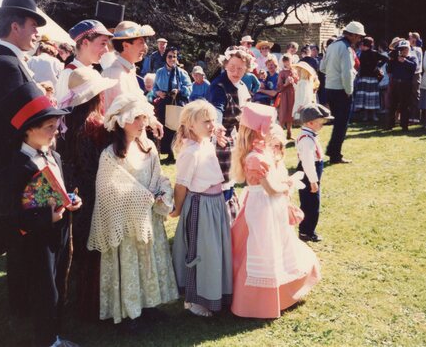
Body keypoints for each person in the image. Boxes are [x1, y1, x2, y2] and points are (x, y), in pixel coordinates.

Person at [87, 93, 179, 327]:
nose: (141, 124)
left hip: (149, 220)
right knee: (130, 266)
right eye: (135, 118)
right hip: (127, 224)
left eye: (143, 118)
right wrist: (142, 197)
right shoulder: (110, 154)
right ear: (120, 121)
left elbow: (159, 178)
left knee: (149, 263)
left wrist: (161, 193)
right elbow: (108, 190)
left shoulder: (148, 147)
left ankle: (150, 305)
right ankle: (130, 311)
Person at [2, 82, 82, 347]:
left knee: (59, 282)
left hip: (58, 231)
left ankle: (56, 334)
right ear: (28, 130)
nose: (55, 131)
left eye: (56, 126)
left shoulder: (53, 156)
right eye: (49, 127)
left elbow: (56, 189)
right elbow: (14, 212)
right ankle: (46, 339)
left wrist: (70, 199)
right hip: (35, 238)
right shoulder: (19, 166)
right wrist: (49, 218)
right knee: (44, 289)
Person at [230, 102, 321, 318]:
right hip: (262, 209)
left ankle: (283, 291)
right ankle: (256, 300)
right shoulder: (255, 158)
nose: (274, 128)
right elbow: (270, 189)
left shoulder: (261, 152)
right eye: (270, 125)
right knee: (261, 248)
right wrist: (287, 185)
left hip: (268, 206)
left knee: (276, 245)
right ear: (259, 130)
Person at [0, 0, 46, 257]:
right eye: (33, 25)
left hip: (16, 159)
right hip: (13, 162)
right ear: (15, 27)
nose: (37, 32)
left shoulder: (10, 60)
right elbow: (19, 121)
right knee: (21, 237)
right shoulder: (5, 64)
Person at [56, 67, 117, 321]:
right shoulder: (96, 126)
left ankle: (76, 300)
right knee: (95, 249)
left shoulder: (66, 121)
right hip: (94, 191)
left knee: (79, 247)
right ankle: (93, 304)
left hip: (73, 189)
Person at [170, 100, 232, 318]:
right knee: (198, 252)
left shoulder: (206, 142)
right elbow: (181, 184)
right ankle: (193, 299)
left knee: (214, 251)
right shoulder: (190, 152)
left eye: (213, 120)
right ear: (190, 124)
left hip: (215, 203)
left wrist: (218, 134)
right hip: (201, 206)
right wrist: (177, 209)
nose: (211, 124)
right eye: (206, 121)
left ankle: (214, 292)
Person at [207, 46, 255, 222]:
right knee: (220, 180)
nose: (235, 71)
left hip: (233, 138)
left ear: (246, 69)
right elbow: (216, 109)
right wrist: (217, 125)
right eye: (232, 67)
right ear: (225, 65)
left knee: (231, 178)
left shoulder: (242, 85)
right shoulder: (218, 86)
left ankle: (229, 216)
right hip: (218, 139)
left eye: (240, 68)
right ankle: (218, 220)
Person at [102, 21, 164, 138]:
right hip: (122, 141)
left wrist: (152, 120)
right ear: (125, 45)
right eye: (140, 43)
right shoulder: (115, 73)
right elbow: (119, 116)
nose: (145, 47)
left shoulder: (127, 69)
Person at [321, 21, 365, 164]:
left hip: (329, 88)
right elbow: (346, 73)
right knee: (341, 124)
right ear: (352, 35)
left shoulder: (332, 45)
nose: (359, 39)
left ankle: (332, 151)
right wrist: (349, 90)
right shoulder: (345, 48)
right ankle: (335, 155)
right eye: (358, 36)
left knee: (338, 124)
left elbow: (322, 67)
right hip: (341, 90)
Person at [295, 104, 334, 242]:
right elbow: (307, 163)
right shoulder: (306, 139)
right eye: (320, 123)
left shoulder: (310, 135)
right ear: (310, 123)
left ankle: (307, 230)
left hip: (312, 169)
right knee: (311, 204)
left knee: (310, 202)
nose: (322, 126)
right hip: (309, 172)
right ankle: (307, 231)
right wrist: (313, 180)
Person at [55, 20, 113, 100]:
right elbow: (62, 109)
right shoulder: (68, 74)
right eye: (103, 43)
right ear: (85, 43)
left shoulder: (94, 73)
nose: (106, 50)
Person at [153, 46, 192, 162]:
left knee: (177, 129)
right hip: (163, 103)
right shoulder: (160, 72)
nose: (171, 59)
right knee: (164, 128)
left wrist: (179, 91)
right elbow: (154, 87)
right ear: (166, 57)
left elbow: (189, 88)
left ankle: (178, 155)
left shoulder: (182, 73)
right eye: (169, 56)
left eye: (174, 56)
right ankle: (165, 153)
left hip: (177, 102)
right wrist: (157, 92)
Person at [353, 37, 388, 122]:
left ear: (365, 45)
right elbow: (385, 59)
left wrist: (378, 66)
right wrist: (378, 66)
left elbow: (385, 59)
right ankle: (369, 116)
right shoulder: (362, 53)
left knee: (369, 97)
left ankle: (370, 116)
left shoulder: (372, 53)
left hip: (368, 78)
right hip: (367, 78)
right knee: (368, 97)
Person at [385, 40, 417, 131]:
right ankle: (390, 124)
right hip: (395, 83)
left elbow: (414, 68)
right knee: (393, 105)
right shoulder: (395, 59)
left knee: (405, 105)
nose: (403, 50)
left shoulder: (412, 58)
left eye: (405, 48)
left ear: (408, 48)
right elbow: (389, 70)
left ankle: (404, 125)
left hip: (406, 84)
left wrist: (404, 61)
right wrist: (391, 60)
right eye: (401, 49)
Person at [277, 54, 297, 139]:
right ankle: (279, 134)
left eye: (288, 61)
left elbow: (297, 81)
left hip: (292, 93)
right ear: (283, 62)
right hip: (285, 94)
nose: (287, 63)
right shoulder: (282, 72)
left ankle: (289, 133)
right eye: (285, 61)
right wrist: (286, 83)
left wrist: (294, 82)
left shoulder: (294, 71)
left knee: (290, 114)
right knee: (283, 113)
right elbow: (279, 86)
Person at [408, 32, 424, 123]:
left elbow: (417, 64)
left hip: (416, 74)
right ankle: (410, 116)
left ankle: (416, 116)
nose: (408, 40)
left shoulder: (417, 49)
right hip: (409, 74)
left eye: (410, 38)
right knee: (410, 95)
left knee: (415, 95)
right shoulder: (411, 48)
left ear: (414, 39)